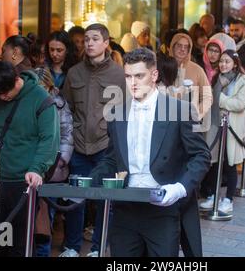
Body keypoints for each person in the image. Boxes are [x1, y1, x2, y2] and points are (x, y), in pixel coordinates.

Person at [89, 47, 211, 257]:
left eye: (139, 76)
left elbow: (201, 156)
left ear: (154, 75)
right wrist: (86, 183)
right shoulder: (118, 113)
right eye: (128, 76)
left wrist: (180, 188)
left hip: (162, 208)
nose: (133, 83)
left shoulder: (179, 110)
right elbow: (112, 159)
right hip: (125, 207)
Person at [0, 61, 60, 257]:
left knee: (17, 244)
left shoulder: (41, 99)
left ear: (17, 79)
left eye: (6, 92)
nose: (3, 97)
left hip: (22, 183)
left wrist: (36, 168)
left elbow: (49, 139)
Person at [62, 23, 126, 257]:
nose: (89, 43)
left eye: (95, 39)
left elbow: (127, 111)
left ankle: (98, 249)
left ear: (106, 42)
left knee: (104, 202)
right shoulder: (74, 72)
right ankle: (71, 247)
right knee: (74, 200)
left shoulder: (120, 74)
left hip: (106, 148)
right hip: (79, 146)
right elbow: (65, 107)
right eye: (87, 39)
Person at [201, 50, 245, 213]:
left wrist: (220, 99)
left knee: (230, 164)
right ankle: (214, 195)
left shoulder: (243, 80)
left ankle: (229, 198)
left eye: (227, 61)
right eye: (221, 61)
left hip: (232, 127)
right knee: (214, 163)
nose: (223, 64)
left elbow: (240, 104)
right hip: (216, 125)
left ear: (235, 63)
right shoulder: (216, 78)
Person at [33, 67, 74, 257]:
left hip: (54, 167)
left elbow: (67, 134)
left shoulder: (59, 104)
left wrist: (61, 160)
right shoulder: (28, 102)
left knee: (46, 218)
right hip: (32, 166)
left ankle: (42, 253)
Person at [168, 33, 213, 120]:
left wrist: (197, 115)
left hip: (189, 122)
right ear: (172, 46)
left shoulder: (197, 70)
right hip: (166, 121)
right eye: (179, 45)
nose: (182, 49)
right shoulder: (163, 67)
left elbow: (207, 97)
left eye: (186, 47)